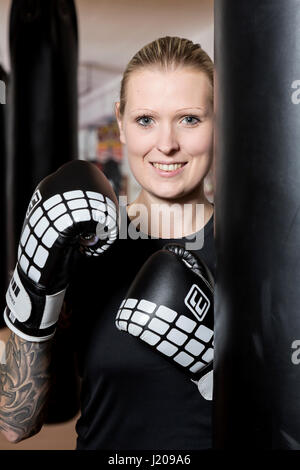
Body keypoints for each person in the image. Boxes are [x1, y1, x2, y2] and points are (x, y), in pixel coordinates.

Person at [0, 36, 215, 450]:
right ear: (120, 121)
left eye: (189, 119)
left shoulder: (258, 254)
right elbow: (15, 422)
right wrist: (34, 281)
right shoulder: (83, 244)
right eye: (145, 120)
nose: (166, 144)